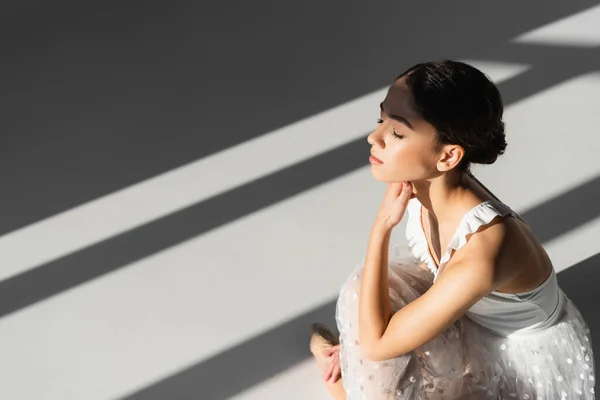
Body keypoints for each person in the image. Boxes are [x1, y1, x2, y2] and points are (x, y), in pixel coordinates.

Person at [309, 60, 595, 399]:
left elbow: (376, 345)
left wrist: (381, 228)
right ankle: (346, 371)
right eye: (380, 119)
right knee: (363, 288)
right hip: (472, 312)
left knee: (375, 354)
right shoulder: (430, 182)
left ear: (448, 157)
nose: (374, 137)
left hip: (517, 361)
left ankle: (342, 381)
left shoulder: (482, 251)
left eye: (397, 132)